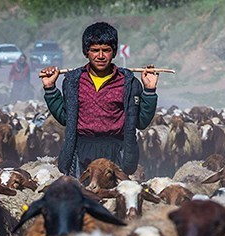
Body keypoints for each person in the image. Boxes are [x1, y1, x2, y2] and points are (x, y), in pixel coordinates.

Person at [39, 22, 158, 178]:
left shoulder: (128, 82)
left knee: (115, 198)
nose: (100, 56)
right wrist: (50, 89)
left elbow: (141, 122)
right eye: (95, 50)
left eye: (106, 50)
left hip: (116, 150)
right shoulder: (73, 81)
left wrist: (149, 90)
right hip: (82, 150)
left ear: (114, 52)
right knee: (82, 197)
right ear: (86, 52)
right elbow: (65, 118)